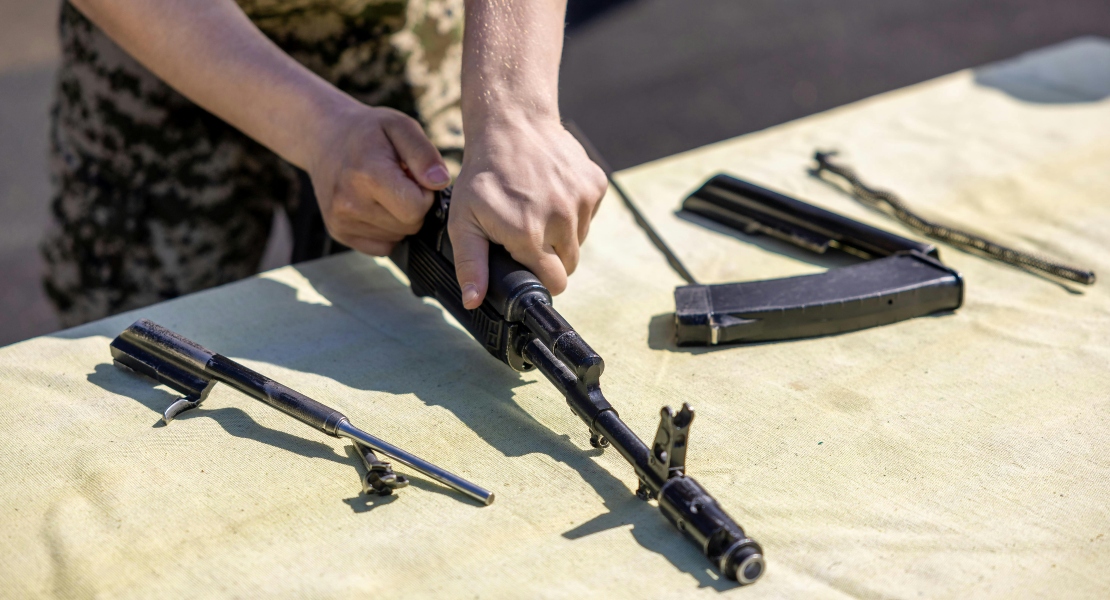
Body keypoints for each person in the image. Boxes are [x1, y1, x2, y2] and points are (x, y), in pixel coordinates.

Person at [41, 0, 607, 327]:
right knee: (132, 351)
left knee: (438, 328)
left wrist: (513, 109)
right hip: (162, 45)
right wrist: (319, 129)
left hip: (389, 33)